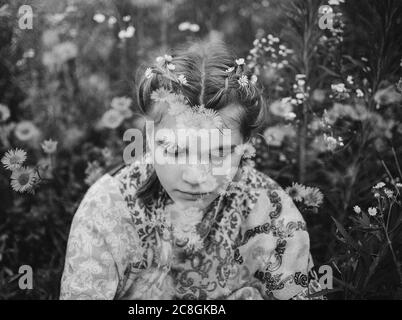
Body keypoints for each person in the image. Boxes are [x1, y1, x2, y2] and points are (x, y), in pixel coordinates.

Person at [60, 40, 322, 300]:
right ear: (150, 136)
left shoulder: (272, 213)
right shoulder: (108, 209)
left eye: (219, 153)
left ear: (245, 145)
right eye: (175, 151)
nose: (195, 176)